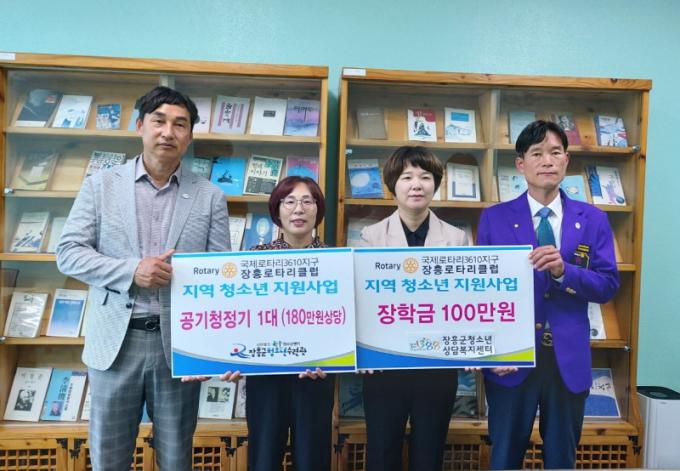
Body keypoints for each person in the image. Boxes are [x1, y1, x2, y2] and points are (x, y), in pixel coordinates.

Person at [56, 86, 230, 471]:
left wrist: (213, 349)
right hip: (116, 345)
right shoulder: (101, 185)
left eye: (180, 124)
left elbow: (220, 277)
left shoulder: (210, 196)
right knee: (109, 459)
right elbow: (68, 252)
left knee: (176, 459)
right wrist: (131, 271)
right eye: (159, 121)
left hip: (179, 348)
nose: (168, 131)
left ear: (190, 135)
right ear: (140, 126)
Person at [476, 120, 620, 469]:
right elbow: (482, 294)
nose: (547, 161)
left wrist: (563, 271)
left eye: (555, 152)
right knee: (504, 457)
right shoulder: (494, 218)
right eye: (537, 153)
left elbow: (607, 285)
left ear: (566, 161)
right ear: (521, 164)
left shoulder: (593, 219)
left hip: (566, 358)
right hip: (512, 359)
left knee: (561, 458)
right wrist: (492, 352)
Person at [358, 145, 468, 471]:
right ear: (393, 185)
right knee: (381, 453)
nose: (416, 185)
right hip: (384, 365)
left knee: (429, 455)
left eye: (425, 177)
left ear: (436, 184)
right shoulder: (370, 236)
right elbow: (363, 302)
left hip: (436, 365)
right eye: (407, 177)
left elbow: (464, 301)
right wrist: (363, 351)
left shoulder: (456, 238)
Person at [223, 176, 334, 471]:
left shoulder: (334, 259)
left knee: (312, 459)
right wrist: (230, 357)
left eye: (307, 201)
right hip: (265, 375)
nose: (299, 209)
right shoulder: (253, 259)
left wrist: (334, 359)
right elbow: (237, 316)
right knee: (263, 458)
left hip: (315, 375)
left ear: (318, 210)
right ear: (277, 210)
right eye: (290, 201)